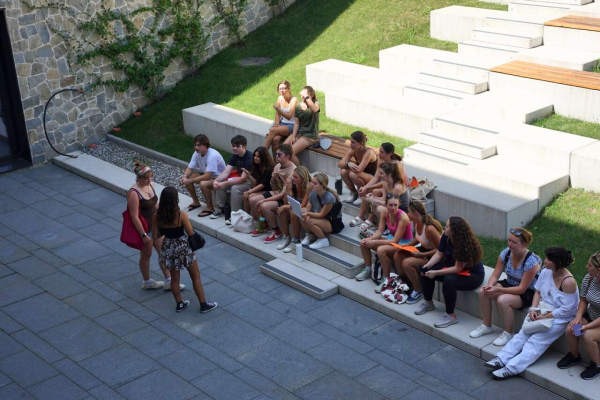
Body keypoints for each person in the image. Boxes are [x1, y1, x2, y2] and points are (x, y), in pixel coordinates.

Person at [486, 247, 578, 380]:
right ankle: (501, 358)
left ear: (557, 262)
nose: (544, 261)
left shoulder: (569, 282)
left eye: (548, 259)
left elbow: (568, 310)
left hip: (559, 317)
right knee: (523, 333)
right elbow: (537, 291)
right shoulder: (546, 271)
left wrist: (545, 316)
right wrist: (533, 310)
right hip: (542, 309)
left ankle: (512, 368)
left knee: (535, 341)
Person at [470, 228, 541, 346]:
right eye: (509, 240)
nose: (510, 244)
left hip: (527, 292)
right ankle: (486, 326)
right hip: (510, 283)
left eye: (514, 242)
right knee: (483, 292)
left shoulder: (531, 262)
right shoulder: (506, 253)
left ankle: (508, 333)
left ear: (524, 244)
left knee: (503, 300)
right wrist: (490, 285)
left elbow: (521, 289)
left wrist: (497, 289)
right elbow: (495, 274)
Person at [152, 187, 217, 314]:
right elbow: (190, 232)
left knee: (174, 279)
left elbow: (155, 236)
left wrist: (165, 231)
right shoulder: (181, 214)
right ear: (175, 199)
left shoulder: (156, 216)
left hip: (169, 247)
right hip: (183, 248)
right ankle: (203, 304)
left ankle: (179, 304)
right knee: (195, 276)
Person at [414, 216, 485, 329]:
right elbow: (439, 254)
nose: (444, 228)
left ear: (454, 231)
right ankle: (428, 302)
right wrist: (429, 265)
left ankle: (450, 316)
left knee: (449, 280)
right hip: (454, 267)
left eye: (447, 226)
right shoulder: (446, 237)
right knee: (425, 269)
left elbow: (458, 269)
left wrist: (436, 273)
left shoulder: (464, 245)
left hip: (473, 275)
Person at [128, 163, 181, 291]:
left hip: (156, 226)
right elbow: (134, 217)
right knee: (146, 255)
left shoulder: (150, 185)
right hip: (145, 229)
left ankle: (169, 281)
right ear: (139, 178)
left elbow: (155, 204)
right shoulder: (134, 193)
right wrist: (143, 235)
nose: (149, 180)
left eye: (150, 177)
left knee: (163, 252)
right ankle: (147, 282)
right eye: (146, 178)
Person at [557, 251, 600, 380]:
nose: (586, 267)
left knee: (587, 336)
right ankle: (574, 356)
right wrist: (577, 318)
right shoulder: (590, 278)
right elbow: (583, 300)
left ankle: (597, 365)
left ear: (599, 270)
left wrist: (586, 328)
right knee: (572, 329)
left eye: (589, 266)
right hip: (591, 315)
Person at [354, 195, 412, 289]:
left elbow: (396, 240)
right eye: (390, 205)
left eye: (395, 205)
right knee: (363, 243)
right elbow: (379, 232)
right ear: (386, 205)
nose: (393, 208)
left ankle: (386, 278)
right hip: (391, 239)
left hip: (403, 244)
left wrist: (376, 242)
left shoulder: (403, 217)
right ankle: (368, 270)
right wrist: (370, 239)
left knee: (381, 250)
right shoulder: (385, 213)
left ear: (399, 205)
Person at [393, 200, 443, 304]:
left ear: (415, 212)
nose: (407, 214)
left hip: (433, 257)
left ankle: (417, 290)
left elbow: (440, 250)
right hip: (423, 250)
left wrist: (422, 255)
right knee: (398, 255)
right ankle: (407, 283)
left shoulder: (429, 228)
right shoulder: (416, 223)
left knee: (406, 263)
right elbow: (418, 238)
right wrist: (409, 245)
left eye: (409, 212)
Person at [350, 142, 406, 227]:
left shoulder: (397, 166)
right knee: (370, 194)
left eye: (382, 152)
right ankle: (362, 217)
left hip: (394, 189)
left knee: (375, 194)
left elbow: (394, 184)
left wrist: (373, 198)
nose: (379, 154)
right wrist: (366, 188)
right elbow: (376, 177)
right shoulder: (381, 162)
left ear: (390, 154)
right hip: (387, 185)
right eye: (379, 151)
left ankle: (371, 220)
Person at [249, 143, 296, 241]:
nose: (276, 157)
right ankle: (263, 224)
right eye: (276, 154)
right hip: (277, 192)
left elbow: (283, 194)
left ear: (287, 156)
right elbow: (274, 188)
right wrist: (273, 179)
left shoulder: (292, 171)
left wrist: (264, 200)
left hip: (285, 197)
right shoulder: (278, 166)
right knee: (252, 199)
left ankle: (276, 231)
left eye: (279, 155)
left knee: (264, 205)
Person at [179, 134, 226, 217]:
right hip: (208, 175)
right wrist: (184, 177)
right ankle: (195, 202)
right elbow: (189, 168)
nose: (196, 147)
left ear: (205, 145)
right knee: (189, 177)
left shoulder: (212, 156)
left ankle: (210, 207)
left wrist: (189, 180)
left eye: (199, 145)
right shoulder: (197, 153)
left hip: (219, 178)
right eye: (195, 145)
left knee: (203, 184)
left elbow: (207, 176)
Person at [212, 135, 254, 222]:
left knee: (235, 188)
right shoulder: (235, 156)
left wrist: (225, 183)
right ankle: (221, 208)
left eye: (237, 146)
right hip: (240, 178)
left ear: (244, 146)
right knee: (220, 182)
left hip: (251, 181)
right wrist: (216, 181)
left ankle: (235, 214)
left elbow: (243, 179)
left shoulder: (249, 158)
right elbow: (226, 172)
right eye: (233, 146)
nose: (234, 148)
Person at [299, 173, 344, 250]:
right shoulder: (313, 193)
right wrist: (301, 210)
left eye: (315, 183)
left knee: (309, 220)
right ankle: (311, 235)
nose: (312, 185)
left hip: (333, 222)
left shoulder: (329, 198)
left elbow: (321, 215)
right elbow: (308, 208)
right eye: (311, 182)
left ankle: (323, 240)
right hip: (322, 219)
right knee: (301, 216)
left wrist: (307, 213)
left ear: (322, 185)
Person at [358, 162, 408, 230]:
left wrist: (374, 200)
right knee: (369, 200)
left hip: (400, 210)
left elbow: (393, 205)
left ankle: (388, 227)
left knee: (380, 208)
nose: (379, 175)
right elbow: (384, 199)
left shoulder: (397, 187)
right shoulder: (385, 183)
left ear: (389, 174)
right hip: (391, 207)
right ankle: (379, 224)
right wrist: (372, 197)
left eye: (381, 173)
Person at [276, 166, 311, 252]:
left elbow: (302, 205)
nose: (293, 179)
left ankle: (295, 240)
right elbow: (286, 202)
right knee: (283, 211)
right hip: (296, 208)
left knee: (293, 213)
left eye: (296, 177)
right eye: (293, 176)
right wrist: (289, 190)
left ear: (303, 178)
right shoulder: (294, 185)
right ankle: (286, 236)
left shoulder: (308, 187)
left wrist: (284, 206)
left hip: (307, 210)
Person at [338, 131, 378, 206]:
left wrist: (347, 164)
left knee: (353, 174)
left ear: (361, 144)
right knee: (343, 171)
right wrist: (348, 163)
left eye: (353, 142)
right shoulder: (353, 150)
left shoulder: (368, 152)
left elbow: (359, 169)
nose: (350, 144)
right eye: (350, 141)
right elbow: (340, 164)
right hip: (361, 174)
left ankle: (362, 195)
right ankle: (354, 193)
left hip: (372, 178)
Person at [284, 86, 320, 167]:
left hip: (310, 135)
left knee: (290, 152)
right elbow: (296, 123)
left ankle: (300, 173)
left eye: (306, 94)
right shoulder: (298, 107)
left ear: (311, 95)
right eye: (302, 94)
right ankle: (288, 169)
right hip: (300, 133)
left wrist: (307, 97)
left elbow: (315, 109)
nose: (303, 96)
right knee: (283, 148)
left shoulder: (315, 103)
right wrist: (293, 136)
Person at [264, 81, 298, 156]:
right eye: (280, 89)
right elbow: (277, 114)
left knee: (272, 130)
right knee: (275, 140)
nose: (282, 91)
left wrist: (278, 108)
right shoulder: (280, 98)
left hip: (292, 125)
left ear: (289, 89)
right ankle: (276, 163)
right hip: (282, 124)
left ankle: (262, 153)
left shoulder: (294, 100)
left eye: (284, 88)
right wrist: (277, 124)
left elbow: (289, 116)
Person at [242, 146, 274, 214]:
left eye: (258, 156)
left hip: (270, 191)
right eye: (255, 156)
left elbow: (262, 185)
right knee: (245, 196)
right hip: (262, 190)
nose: (255, 158)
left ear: (263, 158)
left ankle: (255, 219)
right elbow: (256, 183)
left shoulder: (269, 169)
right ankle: (246, 216)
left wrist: (249, 192)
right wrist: (248, 175)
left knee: (250, 197)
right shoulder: (257, 166)